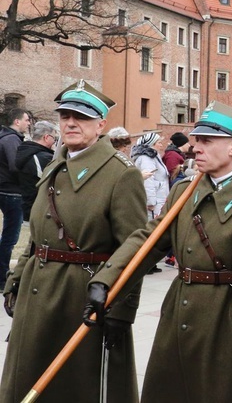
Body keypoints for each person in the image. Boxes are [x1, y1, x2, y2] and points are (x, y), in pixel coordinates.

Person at [84, 101, 232, 402]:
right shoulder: (183, 192)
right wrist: (106, 280)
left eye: (206, 141)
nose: (195, 148)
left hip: (227, 321)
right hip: (178, 313)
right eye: (196, 139)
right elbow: (148, 240)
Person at [1, 80, 147, 403]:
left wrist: (121, 311)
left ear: (101, 125)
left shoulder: (121, 174)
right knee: (28, 381)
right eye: (65, 115)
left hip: (81, 301)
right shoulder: (55, 165)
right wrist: (16, 279)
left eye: (81, 117)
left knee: (76, 388)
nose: (70, 123)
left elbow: (136, 247)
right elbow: (39, 236)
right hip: (37, 297)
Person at [0, 108, 31, 289]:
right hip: (11, 193)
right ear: (17, 121)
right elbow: (15, 166)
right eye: (26, 120)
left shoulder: (5, 137)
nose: (28, 123)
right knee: (10, 238)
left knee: (7, 237)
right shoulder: (11, 140)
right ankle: (2, 278)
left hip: (6, 190)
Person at [15, 120, 58, 221]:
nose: (55, 142)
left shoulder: (24, 151)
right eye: (54, 138)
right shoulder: (42, 157)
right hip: (39, 207)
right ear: (46, 137)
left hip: (27, 203)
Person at [131, 132, 170, 220]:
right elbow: (147, 179)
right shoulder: (147, 158)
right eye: (159, 143)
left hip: (159, 197)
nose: (161, 145)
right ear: (152, 144)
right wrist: (150, 202)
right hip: (155, 201)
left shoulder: (153, 156)